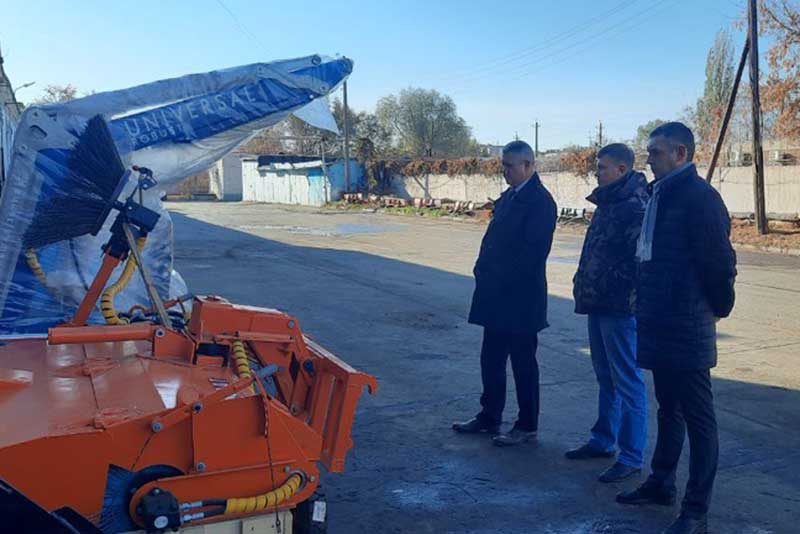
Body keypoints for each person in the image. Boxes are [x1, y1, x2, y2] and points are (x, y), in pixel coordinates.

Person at [616, 122, 737, 534]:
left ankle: (696, 510)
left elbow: (720, 263)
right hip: (659, 320)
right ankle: (661, 482)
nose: (649, 159)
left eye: (657, 152)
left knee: (700, 419)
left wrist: (717, 308)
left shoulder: (700, 199)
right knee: (669, 409)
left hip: (687, 324)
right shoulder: (660, 194)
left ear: (682, 154)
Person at [452, 140, 556, 446]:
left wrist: (497, 277)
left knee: (523, 363)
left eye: (510, 166)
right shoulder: (510, 197)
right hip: (496, 296)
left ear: (528, 165)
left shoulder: (540, 202)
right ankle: (489, 416)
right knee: (491, 359)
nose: (505, 171)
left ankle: (527, 425)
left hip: (521, 298)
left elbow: (532, 255)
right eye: (504, 166)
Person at [566, 143, 649, 483]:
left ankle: (631, 456)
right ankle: (603, 440)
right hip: (598, 303)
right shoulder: (608, 202)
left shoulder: (635, 207)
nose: (596, 172)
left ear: (621, 170)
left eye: (602, 167)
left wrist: (613, 288)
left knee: (628, 381)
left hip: (619, 307)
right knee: (606, 378)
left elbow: (640, 263)